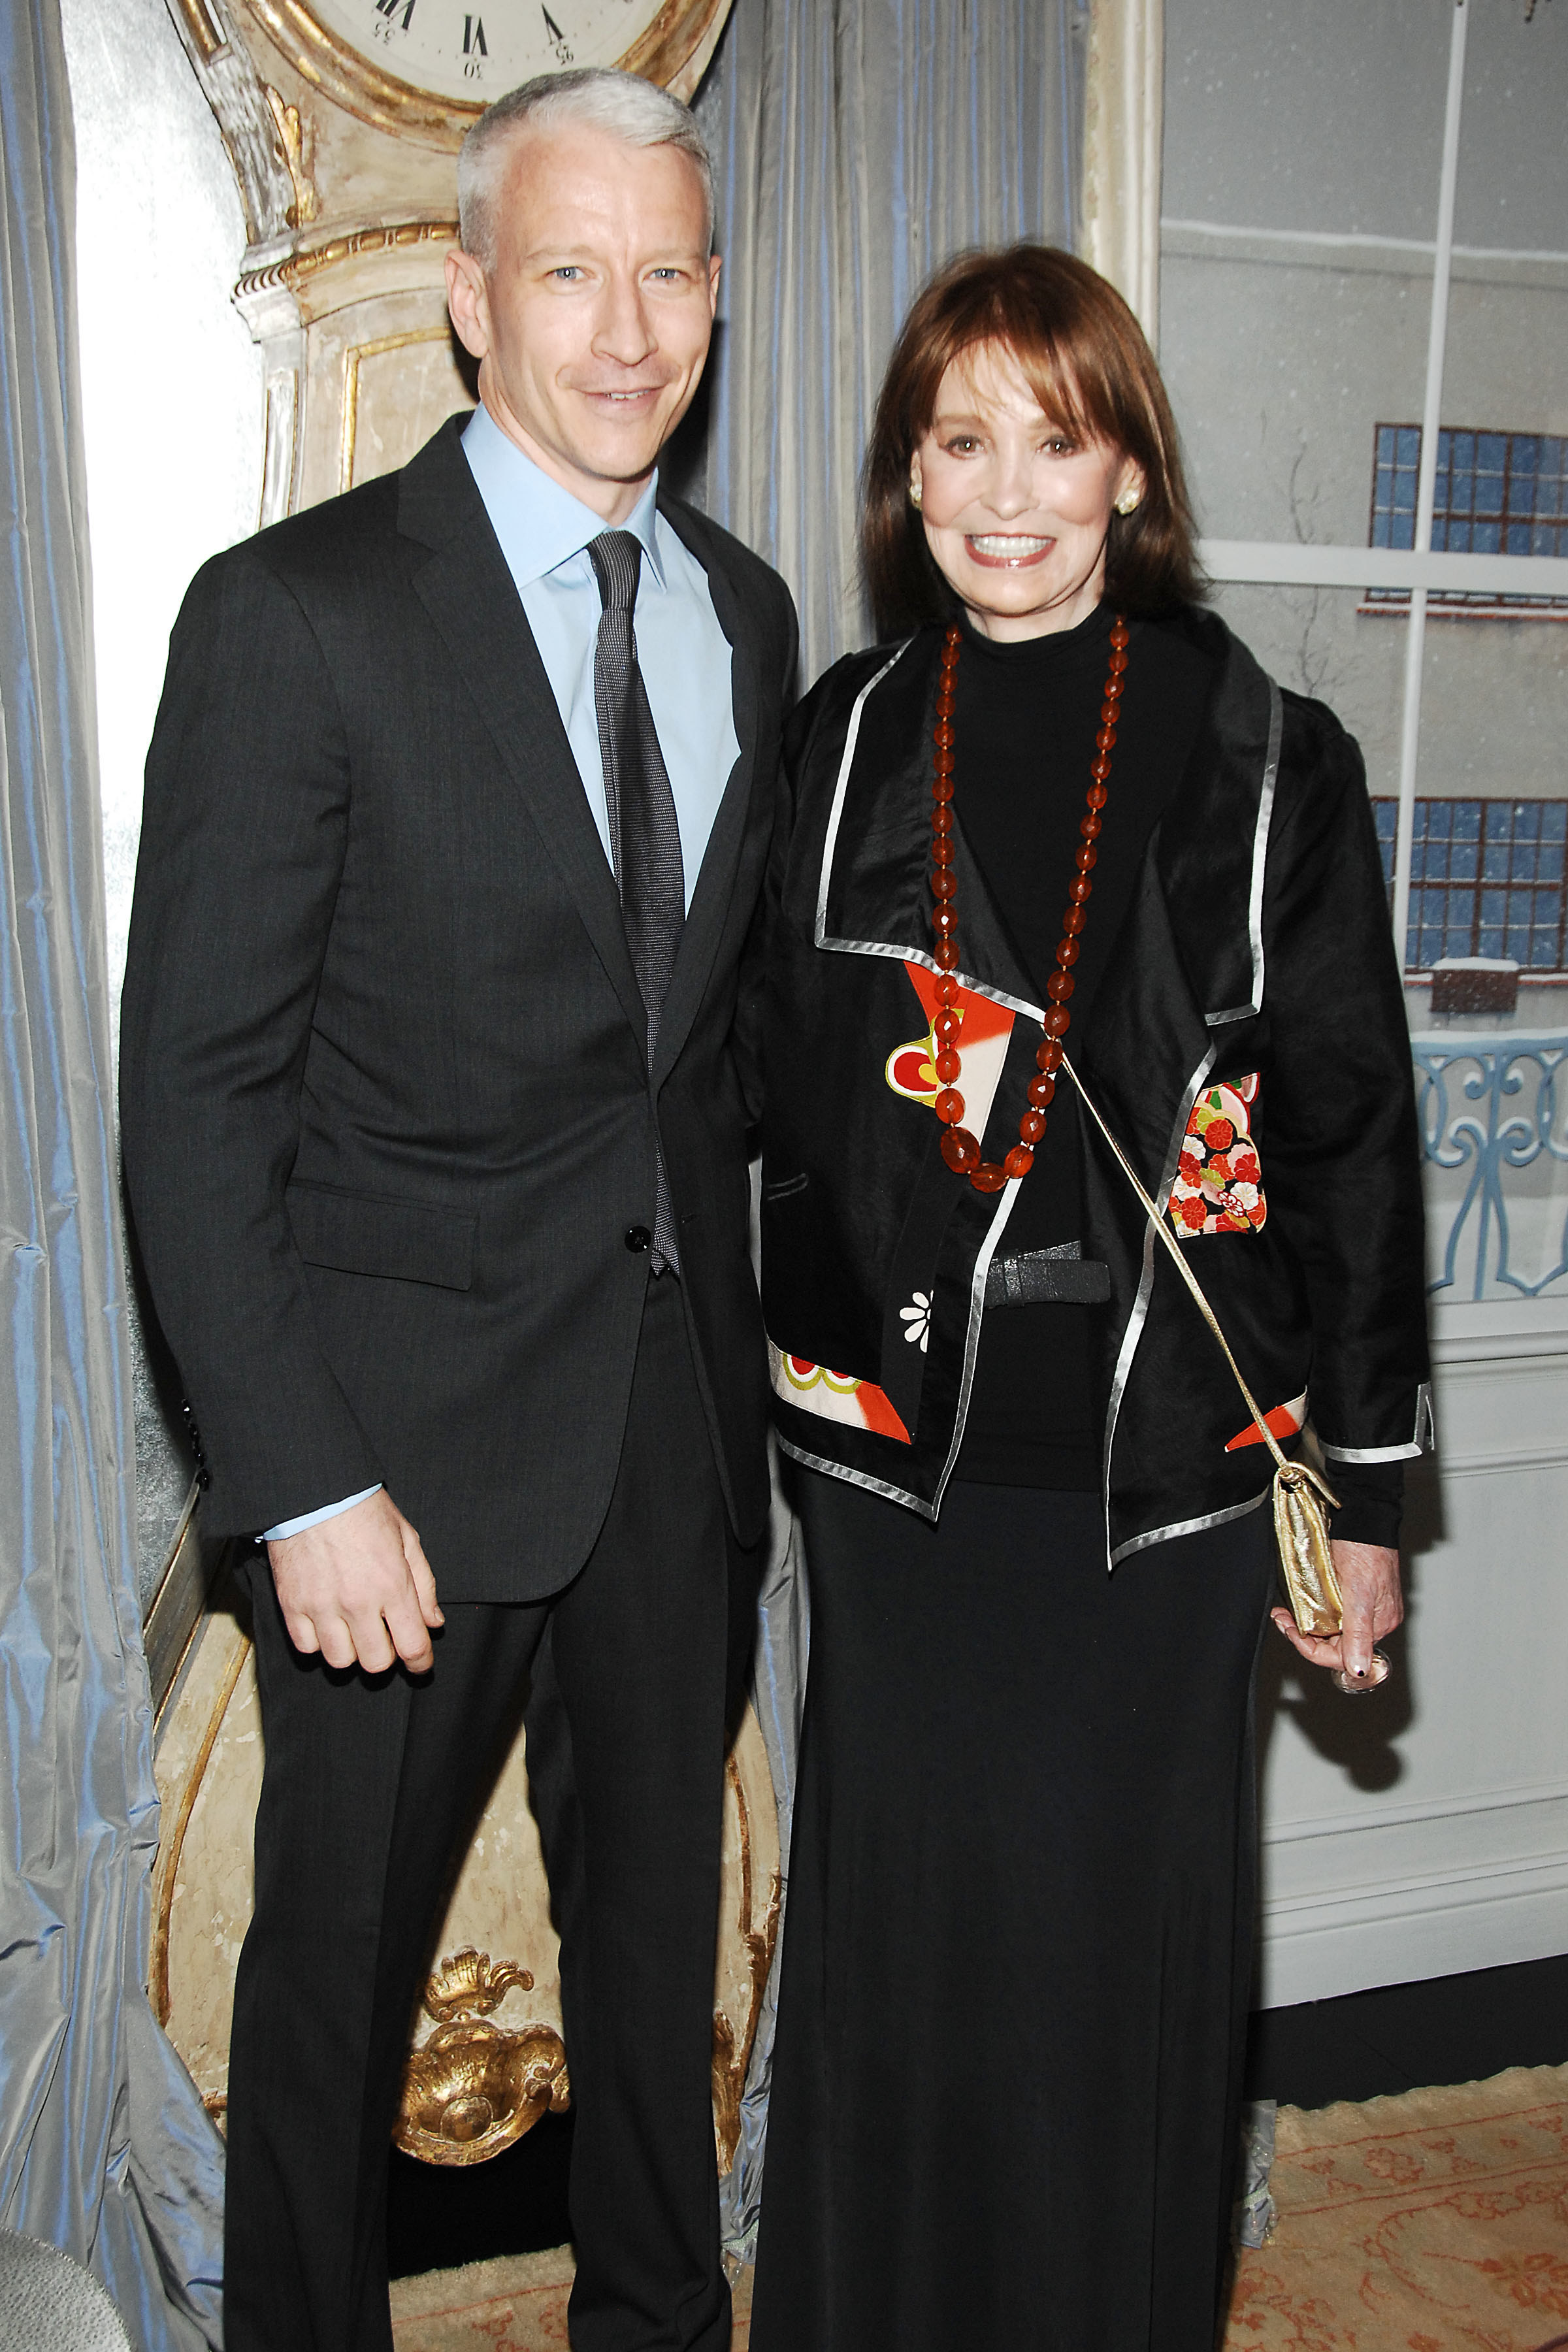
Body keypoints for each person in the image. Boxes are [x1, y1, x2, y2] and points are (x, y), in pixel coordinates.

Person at [120, 68, 796, 2352]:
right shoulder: (293, 616)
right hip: (389, 1462)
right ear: (467, 297)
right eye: (575, 270)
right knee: (327, 1997)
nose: (632, 329)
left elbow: (709, 1054)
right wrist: (295, 1475)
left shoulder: (750, 616)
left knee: (657, 1968)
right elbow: (196, 1103)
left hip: (676, 1430)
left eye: (674, 270)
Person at [749, 245, 1429, 2351]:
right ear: (908, 474)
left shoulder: (1265, 752)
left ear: (1128, 464)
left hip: (1171, 1499)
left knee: (1119, 1980)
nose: (1007, 492)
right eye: (961, 441)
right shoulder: (845, 743)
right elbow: (753, 1098)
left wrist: (1376, 1496)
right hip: (902, 1493)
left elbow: (1351, 1137)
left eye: (1057, 437)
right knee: (906, 1970)